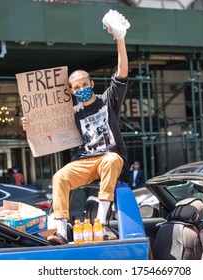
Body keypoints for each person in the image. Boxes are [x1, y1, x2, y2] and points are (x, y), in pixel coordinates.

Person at [21, 24, 129, 244]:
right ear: (71, 91)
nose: (81, 89)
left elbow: (122, 71)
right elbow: (48, 130)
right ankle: (60, 231)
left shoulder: (108, 100)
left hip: (109, 157)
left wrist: (120, 39)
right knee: (60, 176)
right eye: (76, 87)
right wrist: (29, 125)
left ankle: (102, 223)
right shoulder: (72, 113)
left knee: (110, 160)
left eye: (83, 85)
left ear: (91, 83)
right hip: (85, 161)